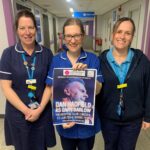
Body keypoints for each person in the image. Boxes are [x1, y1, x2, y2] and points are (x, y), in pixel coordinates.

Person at [41, 18, 103, 150]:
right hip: (66, 124)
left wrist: (89, 77)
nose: (73, 40)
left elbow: (98, 89)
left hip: (86, 125)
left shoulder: (93, 59)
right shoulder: (57, 60)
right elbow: (53, 89)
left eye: (76, 35)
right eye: (69, 36)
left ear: (83, 36)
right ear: (63, 37)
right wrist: (61, 117)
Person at [0, 9, 56, 150]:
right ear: (17, 30)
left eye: (31, 27)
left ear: (36, 29)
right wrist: (26, 110)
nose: (27, 32)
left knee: (41, 146)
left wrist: (39, 110)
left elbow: (49, 85)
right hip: (18, 114)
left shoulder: (47, 53)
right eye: (22, 28)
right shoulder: (8, 54)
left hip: (42, 113)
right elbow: (6, 88)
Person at [97, 17, 150, 150]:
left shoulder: (142, 61)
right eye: (119, 31)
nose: (122, 36)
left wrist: (148, 116)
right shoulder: (100, 61)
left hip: (133, 120)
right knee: (110, 147)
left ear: (132, 37)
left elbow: (149, 88)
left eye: (127, 33)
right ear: (113, 34)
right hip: (108, 118)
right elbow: (95, 90)